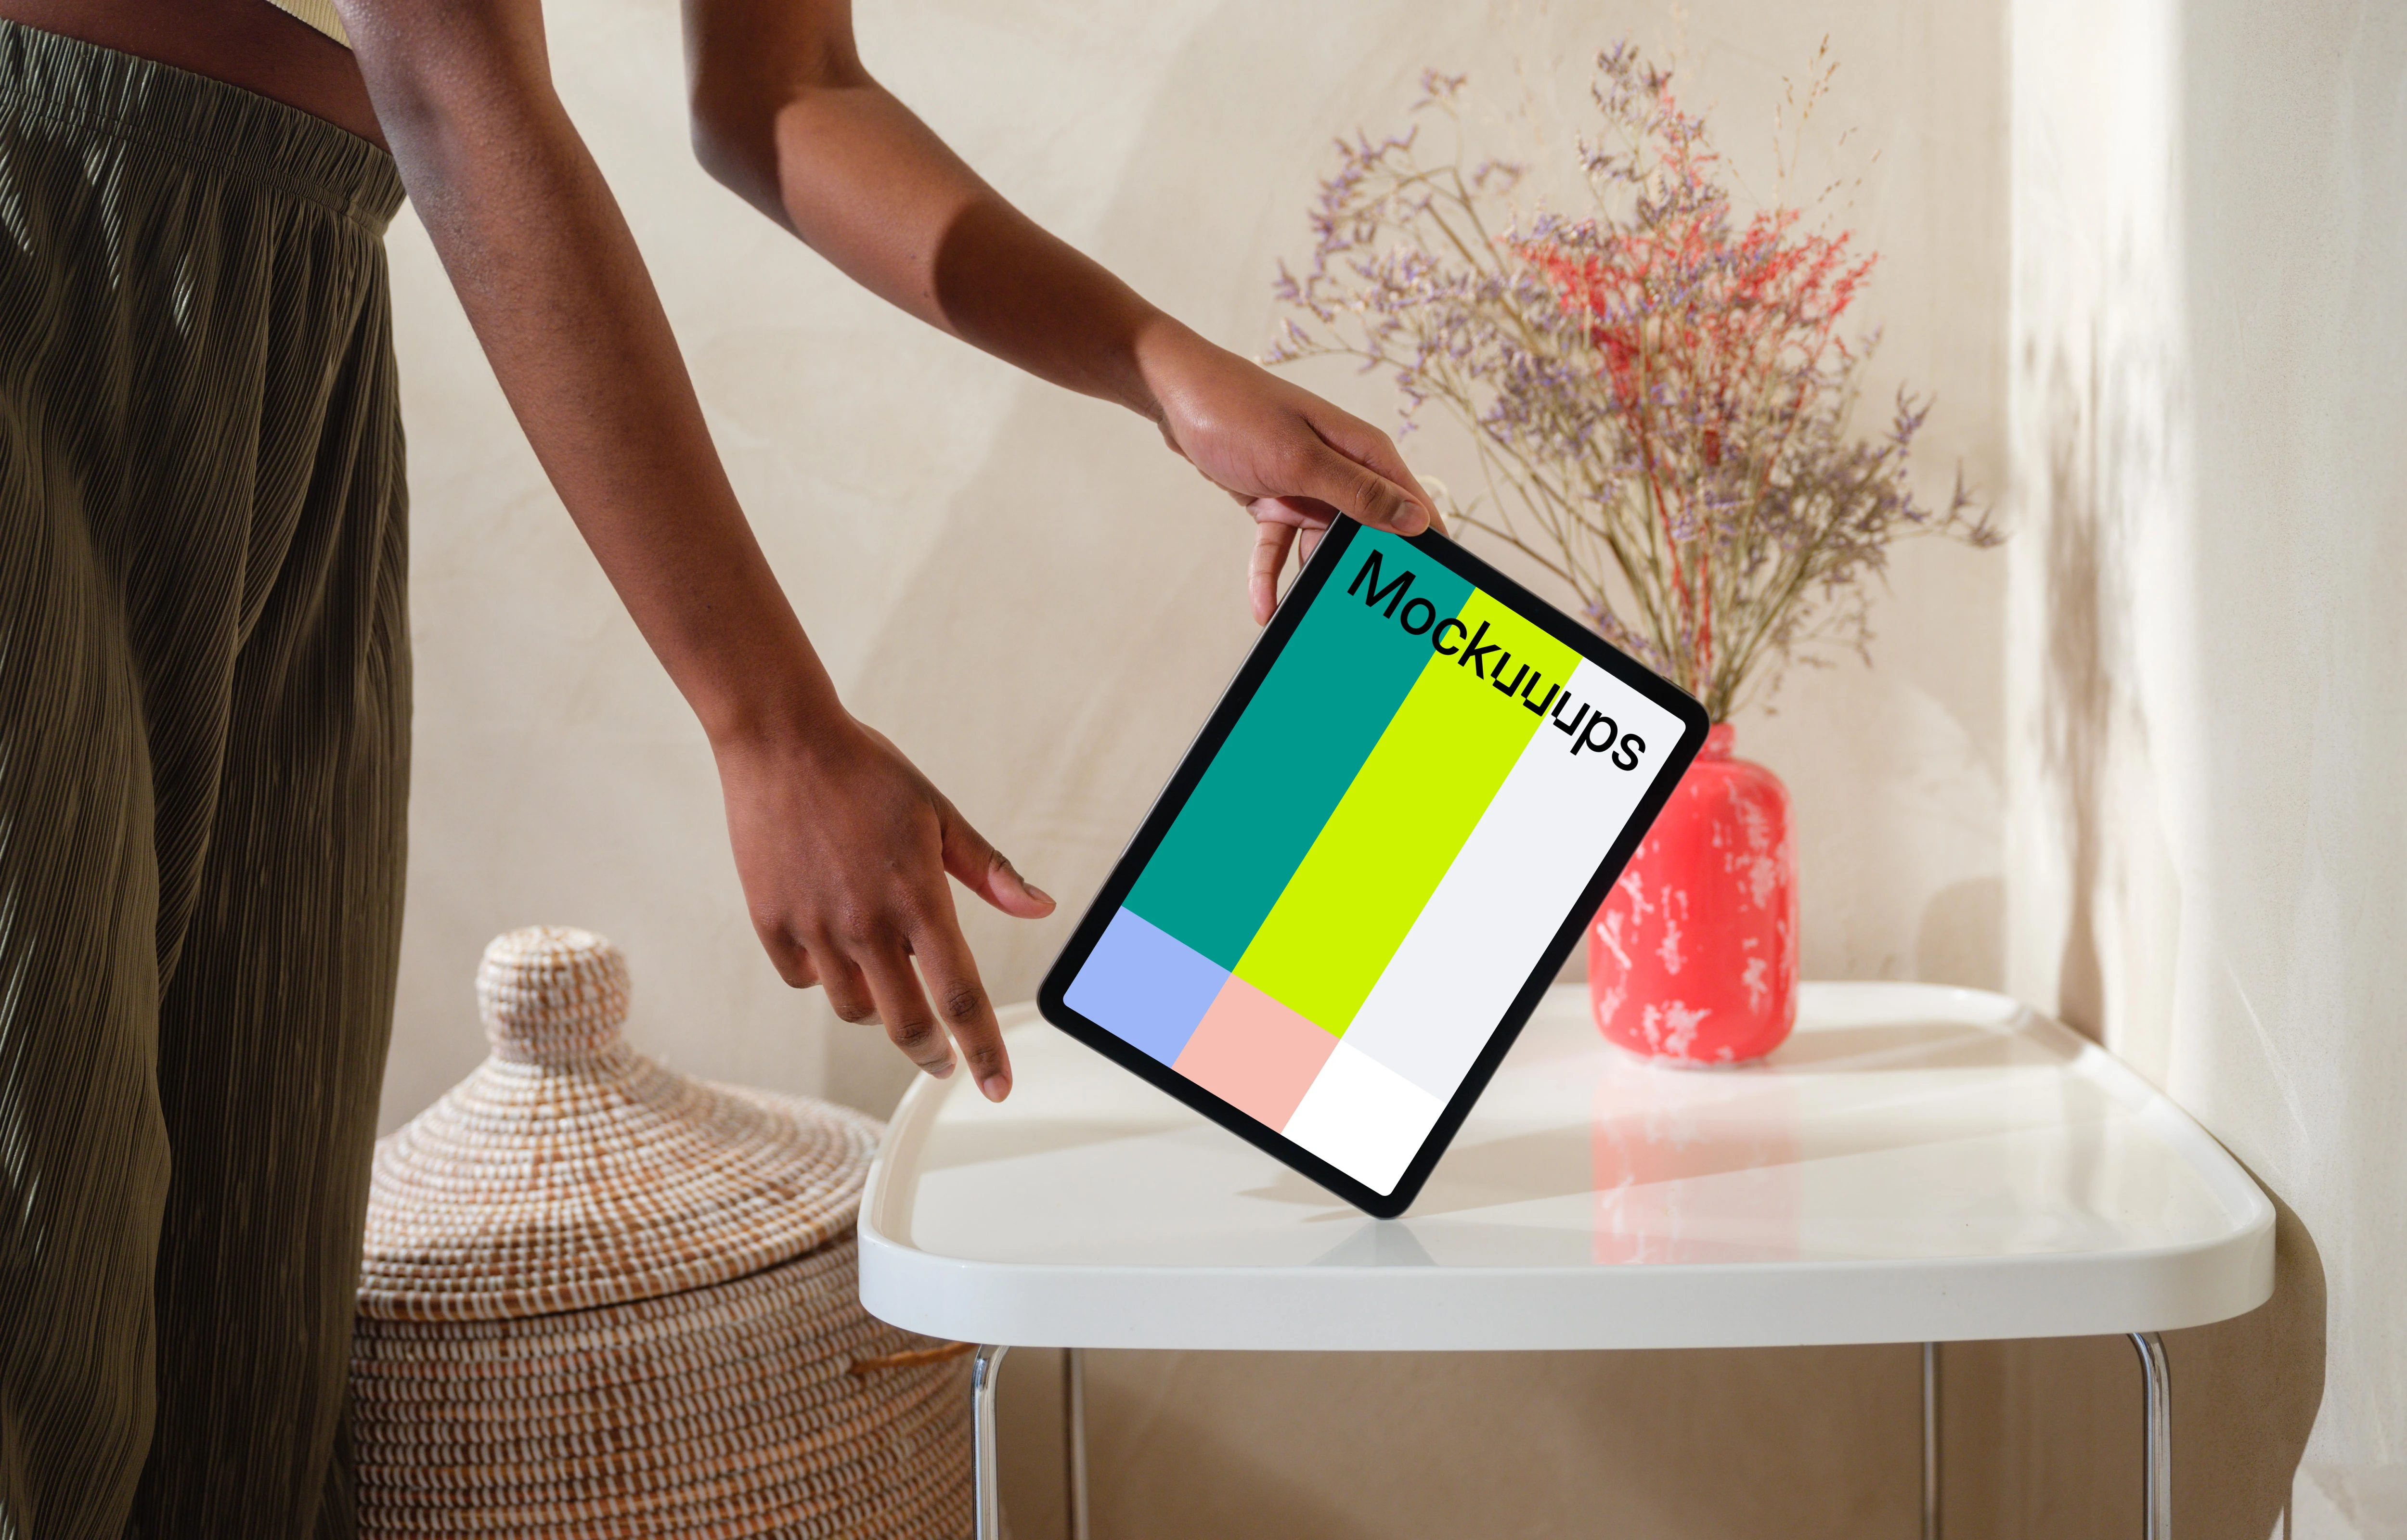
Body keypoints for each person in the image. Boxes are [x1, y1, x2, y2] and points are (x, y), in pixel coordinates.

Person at [0, 0, 1435, 1530]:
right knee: (41, 1299)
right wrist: (772, 725)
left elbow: (784, 90)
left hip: (297, 292)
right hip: (47, 236)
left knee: (242, 1351)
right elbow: (446, 68)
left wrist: (1167, 374)